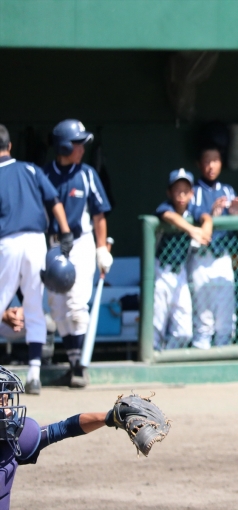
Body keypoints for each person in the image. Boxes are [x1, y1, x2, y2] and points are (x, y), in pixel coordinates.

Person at [0, 125, 72, 395]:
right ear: (9, 146)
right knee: (33, 306)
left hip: (7, 242)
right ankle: (34, 374)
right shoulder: (31, 169)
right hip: (35, 242)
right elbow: (54, 201)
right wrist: (66, 232)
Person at [0, 365, 131, 509]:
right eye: (1, 403)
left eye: (6, 402)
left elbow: (65, 428)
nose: (8, 411)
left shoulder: (16, 440)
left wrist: (110, 417)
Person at [44, 119, 113, 389]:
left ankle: (80, 367)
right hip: (54, 245)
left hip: (81, 242)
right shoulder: (46, 174)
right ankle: (74, 364)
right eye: (77, 144)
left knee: (76, 303)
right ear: (64, 146)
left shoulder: (87, 174)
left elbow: (99, 215)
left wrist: (101, 248)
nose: (82, 149)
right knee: (57, 306)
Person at [189, 146, 238, 348]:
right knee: (203, 316)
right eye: (207, 161)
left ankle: (224, 351)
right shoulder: (193, 192)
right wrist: (212, 215)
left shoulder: (228, 191)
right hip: (200, 257)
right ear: (199, 164)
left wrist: (236, 215)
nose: (211, 166)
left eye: (215, 160)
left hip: (222, 257)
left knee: (225, 315)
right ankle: (200, 353)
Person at [154, 169, 212, 350]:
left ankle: (167, 357)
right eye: (177, 191)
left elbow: (206, 217)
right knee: (156, 326)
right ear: (169, 192)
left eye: (185, 191)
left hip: (180, 272)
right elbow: (168, 216)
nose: (181, 195)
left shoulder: (192, 209)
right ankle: (153, 358)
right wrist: (192, 230)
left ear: (191, 193)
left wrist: (205, 229)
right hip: (160, 271)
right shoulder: (166, 207)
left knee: (184, 331)